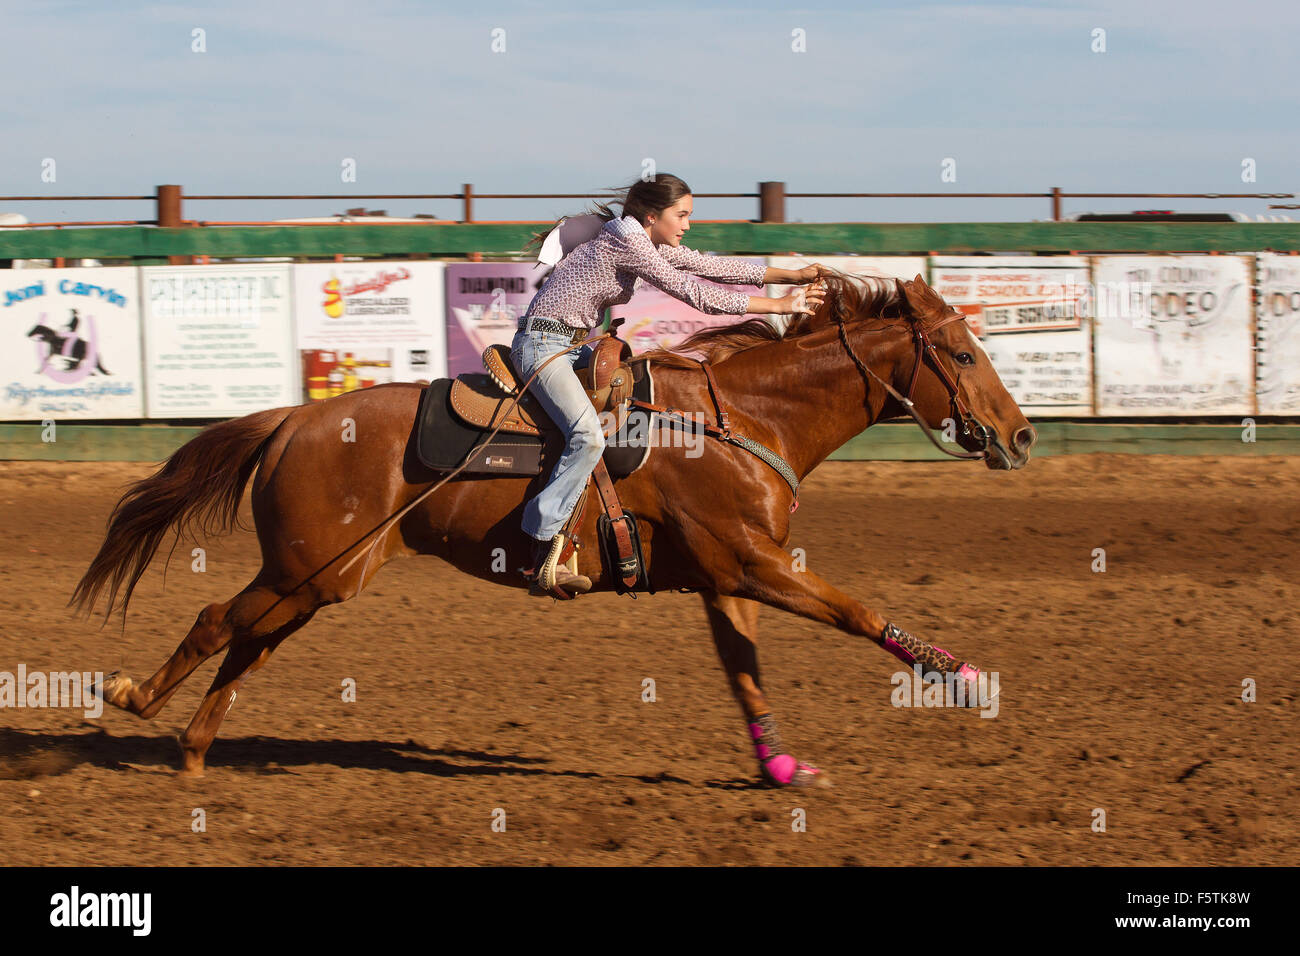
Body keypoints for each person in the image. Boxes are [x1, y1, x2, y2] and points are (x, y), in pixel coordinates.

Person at [515, 172, 829, 595]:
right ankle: (539, 547)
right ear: (651, 215)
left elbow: (710, 266)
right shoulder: (627, 238)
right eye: (681, 215)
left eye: (689, 215)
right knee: (588, 436)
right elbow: (692, 292)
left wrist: (792, 276)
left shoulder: (643, 240)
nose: (686, 224)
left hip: (572, 346)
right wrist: (779, 305)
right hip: (542, 346)